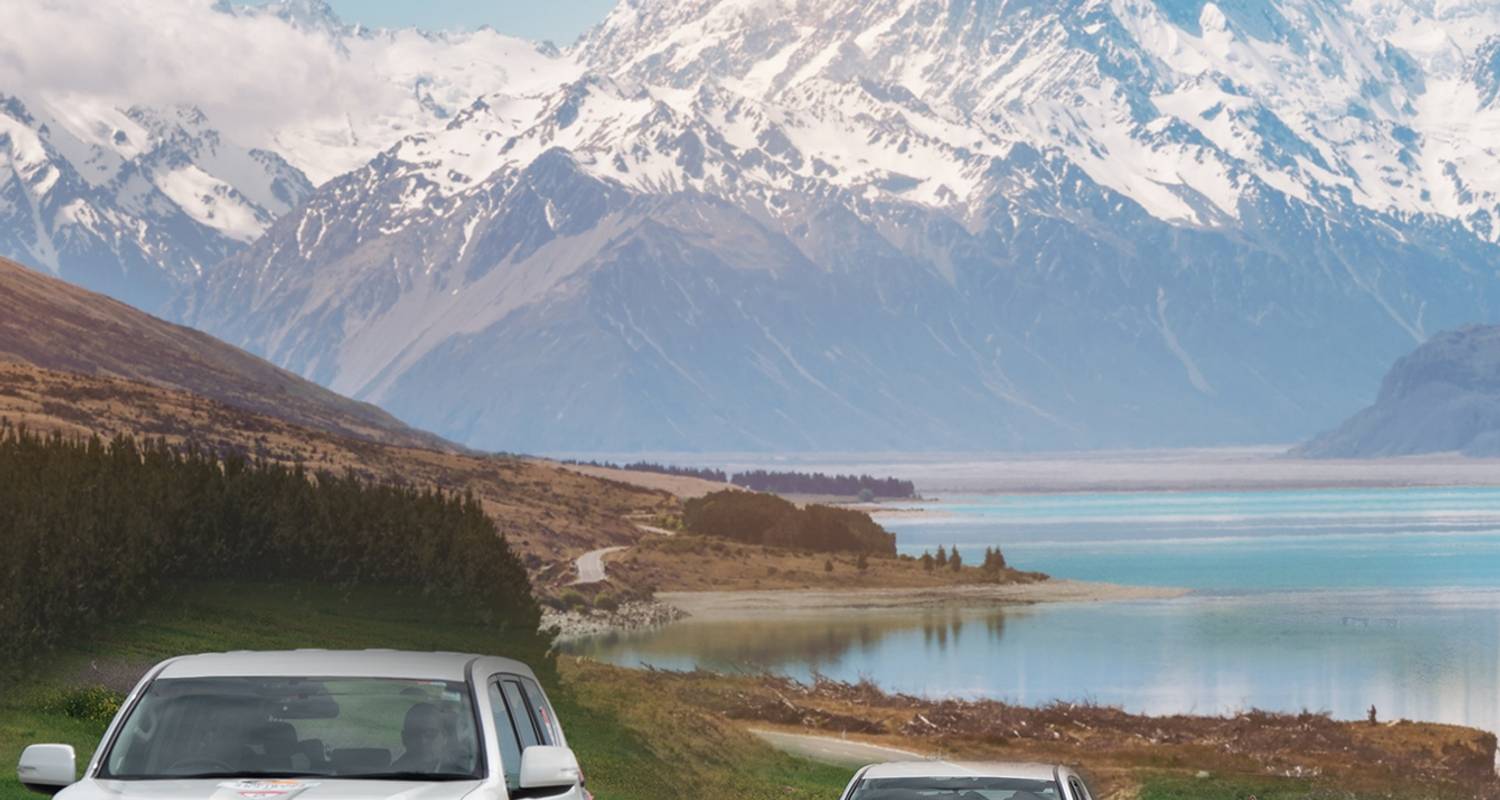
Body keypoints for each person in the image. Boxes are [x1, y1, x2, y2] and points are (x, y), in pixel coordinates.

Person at [392, 703, 452, 773]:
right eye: (414, 734)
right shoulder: (388, 777)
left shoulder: (457, 773)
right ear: (404, 738)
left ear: (444, 737)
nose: (422, 741)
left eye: (430, 734)